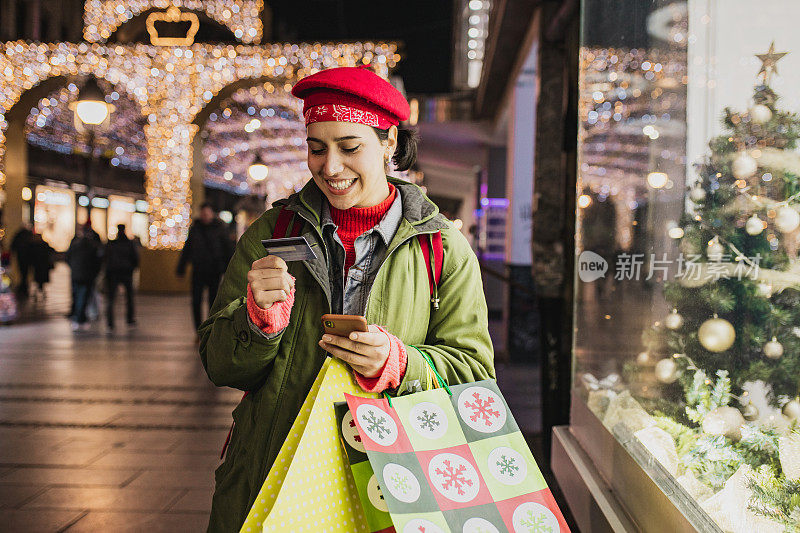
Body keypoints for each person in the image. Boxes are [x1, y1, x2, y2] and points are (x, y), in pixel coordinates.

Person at [199, 66, 495, 531]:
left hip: (395, 488)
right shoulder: (270, 235)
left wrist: (399, 362)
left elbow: (474, 375)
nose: (329, 167)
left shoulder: (441, 249)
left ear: (389, 141)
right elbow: (221, 366)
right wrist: (256, 323)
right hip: (273, 477)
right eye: (317, 149)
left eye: (350, 147)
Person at [177, 203, 233, 332]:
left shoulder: (220, 228)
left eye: (207, 213)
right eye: (203, 213)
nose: (205, 216)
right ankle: (198, 330)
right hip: (198, 270)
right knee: (196, 301)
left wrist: (228, 269)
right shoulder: (195, 229)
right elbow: (187, 249)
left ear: (212, 214)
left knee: (213, 302)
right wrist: (181, 268)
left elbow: (228, 249)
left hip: (215, 270)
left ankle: (210, 328)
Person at [66, 223, 103, 330]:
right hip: (87, 275)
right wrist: (95, 273)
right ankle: (79, 318)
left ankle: (78, 317)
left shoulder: (75, 244)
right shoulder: (93, 246)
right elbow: (98, 262)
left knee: (77, 295)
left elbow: (68, 258)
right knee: (83, 297)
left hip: (76, 274)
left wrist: (73, 268)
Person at [104, 224, 139, 331]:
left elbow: (106, 257)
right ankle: (130, 319)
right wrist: (131, 268)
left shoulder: (112, 243)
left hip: (113, 273)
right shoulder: (129, 244)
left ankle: (110, 322)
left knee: (111, 298)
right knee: (129, 297)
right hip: (126, 272)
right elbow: (135, 259)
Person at [29, 233, 55, 303]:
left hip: (41, 266)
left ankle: (39, 292)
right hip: (40, 266)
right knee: (39, 280)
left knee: (39, 280)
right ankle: (40, 292)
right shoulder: (37, 245)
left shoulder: (35, 245)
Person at [10, 224, 34, 299]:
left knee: (22, 271)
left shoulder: (20, 236)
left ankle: (23, 286)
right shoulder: (28, 236)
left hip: (21, 257)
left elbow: (13, 245)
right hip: (27, 258)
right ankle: (24, 286)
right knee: (25, 272)